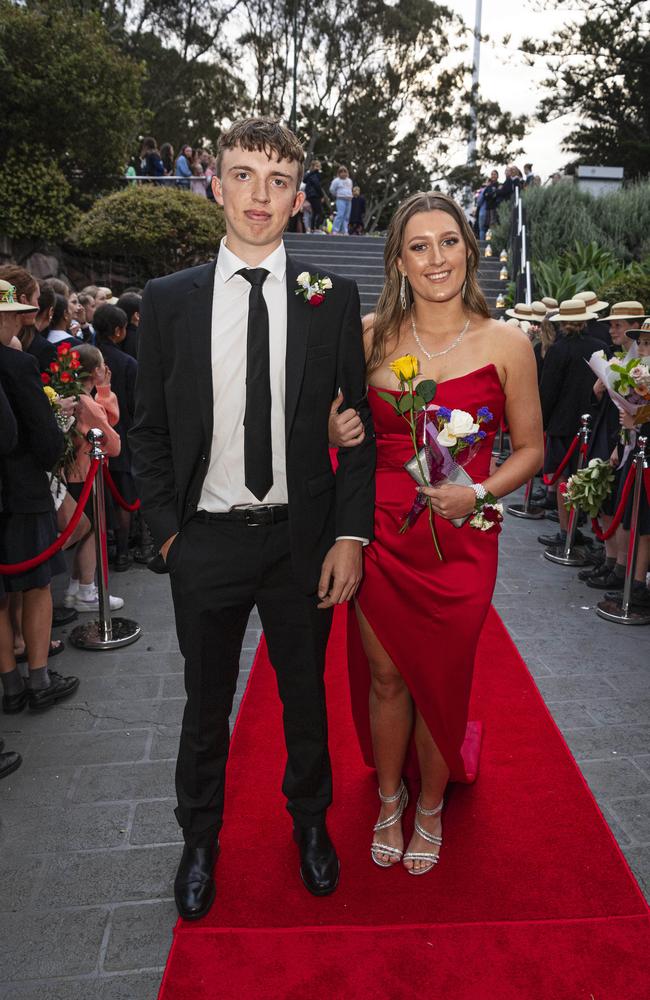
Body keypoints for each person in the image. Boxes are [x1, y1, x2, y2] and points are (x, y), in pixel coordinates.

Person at [130, 116, 375, 920]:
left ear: (299, 196)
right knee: (205, 709)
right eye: (242, 175)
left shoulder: (331, 299)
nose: (259, 196)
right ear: (216, 185)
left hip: (301, 543)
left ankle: (310, 826)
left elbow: (359, 427)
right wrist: (169, 534)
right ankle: (199, 840)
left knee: (305, 702)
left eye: (276, 181)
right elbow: (150, 432)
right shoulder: (168, 304)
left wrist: (349, 534)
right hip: (205, 541)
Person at [343, 192, 542, 873]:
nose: (437, 258)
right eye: (420, 245)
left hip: (462, 540)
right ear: (399, 260)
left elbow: (531, 450)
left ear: (470, 249)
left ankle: (432, 804)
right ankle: (391, 797)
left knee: (442, 677)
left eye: (449, 241)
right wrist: (334, 430)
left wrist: (479, 491)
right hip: (382, 531)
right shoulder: (368, 337)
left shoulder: (508, 342)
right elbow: (342, 433)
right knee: (387, 676)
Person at [0, 280, 80, 715]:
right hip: (24, 492)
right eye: (12, 312)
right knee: (36, 586)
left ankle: (11, 685)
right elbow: (43, 440)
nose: (19, 319)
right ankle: (39, 678)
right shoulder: (17, 365)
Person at [63, 344, 124, 613]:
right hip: (87, 474)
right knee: (91, 531)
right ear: (95, 370)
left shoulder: (78, 397)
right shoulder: (86, 404)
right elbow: (113, 442)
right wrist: (105, 392)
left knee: (87, 528)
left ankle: (77, 586)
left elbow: (107, 418)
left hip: (79, 473)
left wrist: (104, 391)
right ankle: (87, 590)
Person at [537, 299, 602, 549]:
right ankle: (577, 525)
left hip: (563, 424)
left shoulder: (558, 349)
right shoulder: (600, 346)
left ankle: (566, 532)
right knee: (583, 477)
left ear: (563, 322)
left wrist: (541, 421)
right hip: (591, 422)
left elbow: (548, 390)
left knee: (565, 479)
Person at [93, 305, 138, 571]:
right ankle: (122, 551)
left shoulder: (86, 355)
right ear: (119, 330)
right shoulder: (127, 363)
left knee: (100, 496)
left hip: (91, 438)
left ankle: (103, 548)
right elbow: (135, 405)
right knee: (123, 494)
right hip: (121, 438)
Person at [329, 165, 354, 235]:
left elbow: (350, 189)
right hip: (341, 199)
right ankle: (335, 230)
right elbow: (332, 189)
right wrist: (337, 194)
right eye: (341, 172)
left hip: (348, 199)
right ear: (339, 173)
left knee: (346, 216)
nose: (343, 173)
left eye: (344, 172)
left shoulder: (349, 181)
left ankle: (345, 230)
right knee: (340, 214)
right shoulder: (336, 181)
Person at [303, 159, 325, 231]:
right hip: (314, 195)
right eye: (316, 166)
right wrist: (322, 195)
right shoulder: (314, 174)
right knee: (320, 212)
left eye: (319, 166)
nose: (318, 168)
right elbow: (317, 185)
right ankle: (317, 227)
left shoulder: (311, 174)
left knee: (315, 212)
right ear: (313, 166)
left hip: (311, 195)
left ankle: (312, 228)